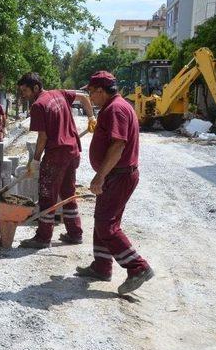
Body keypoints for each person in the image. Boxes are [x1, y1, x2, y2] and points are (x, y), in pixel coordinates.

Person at [76, 71, 154, 294]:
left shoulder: (116, 109)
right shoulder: (114, 107)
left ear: (101, 90)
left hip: (119, 175)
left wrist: (99, 176)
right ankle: (101, 266)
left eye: (91, 92)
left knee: (106, 224)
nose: (90, 96)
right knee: (104, 220)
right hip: (115, 174)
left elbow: (118, 146)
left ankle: (138, 267)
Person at [16, 72, 96, 249]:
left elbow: (42, 138)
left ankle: (43, 238)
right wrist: (91, 117)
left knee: (47, 195)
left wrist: (35, 161)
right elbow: (83, 98)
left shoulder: (38, 105)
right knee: (68, 192)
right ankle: (75, 233)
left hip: (56, 155)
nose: (23, 94)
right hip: (72, 151)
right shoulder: (59, 93)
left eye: (25, 90)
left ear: (36, 87)